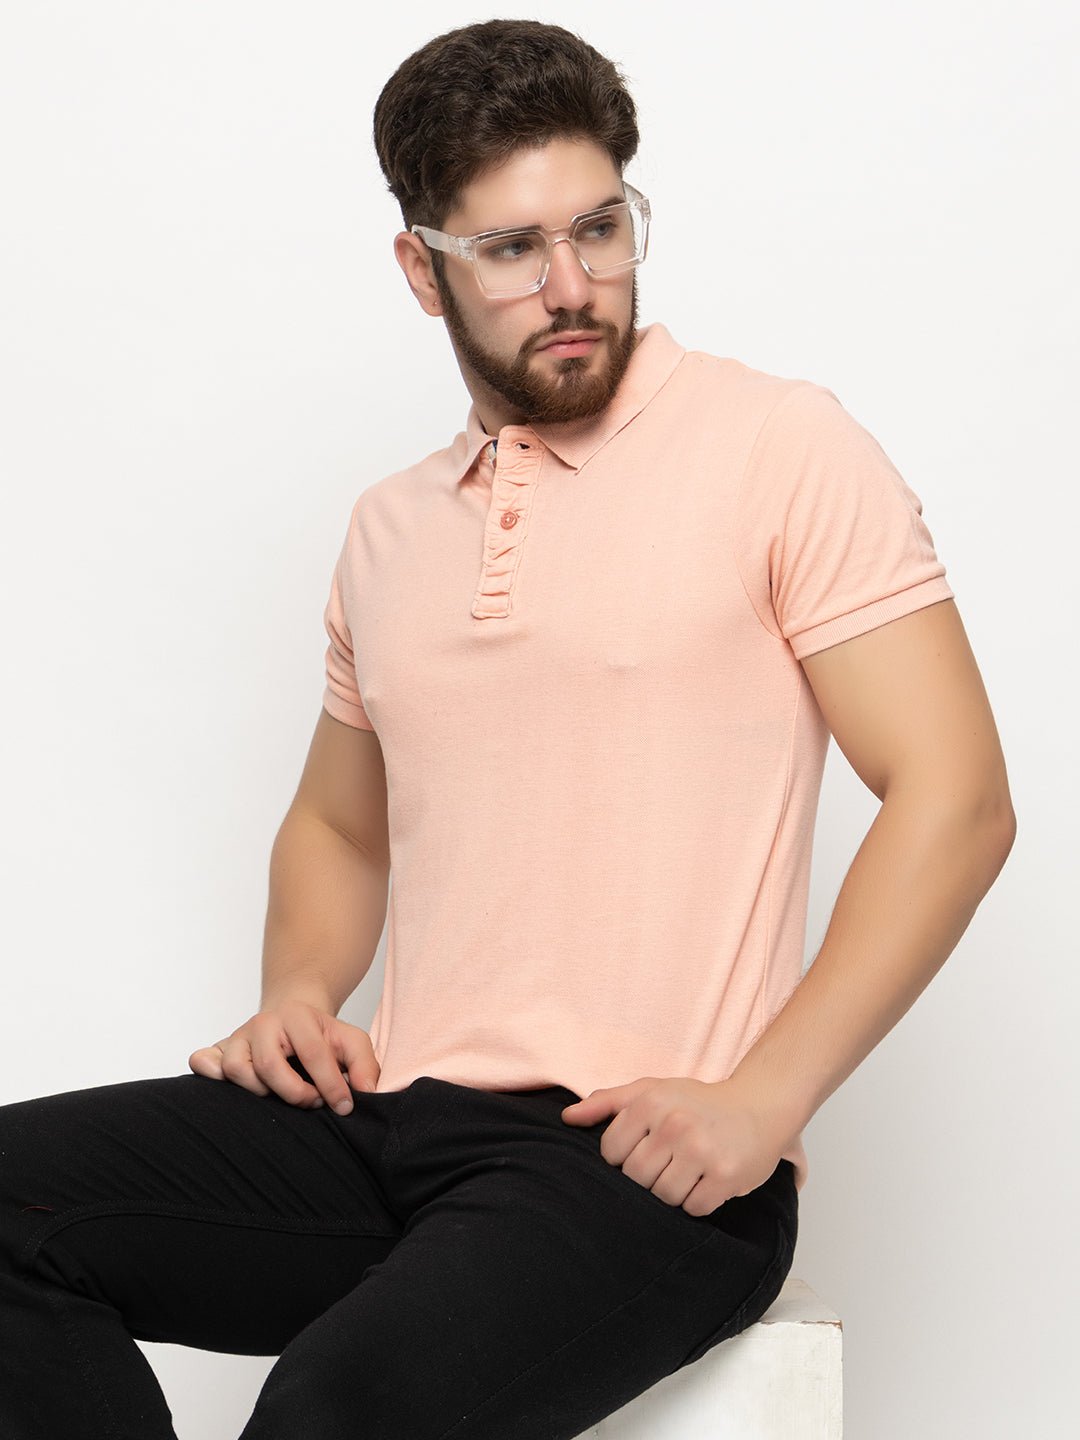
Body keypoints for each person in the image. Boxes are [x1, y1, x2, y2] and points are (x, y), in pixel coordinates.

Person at [0, 18, 1016, 1440]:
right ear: (423, 270)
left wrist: (762, 1103)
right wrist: (299, 991)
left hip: (641, 1165)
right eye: (511, 249)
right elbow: (340, 821)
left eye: (599, 228)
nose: (572, 284)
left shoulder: (780, 446)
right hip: (399, 1128)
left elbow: (955, 795)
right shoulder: (389, 529)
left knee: (329, 1412)